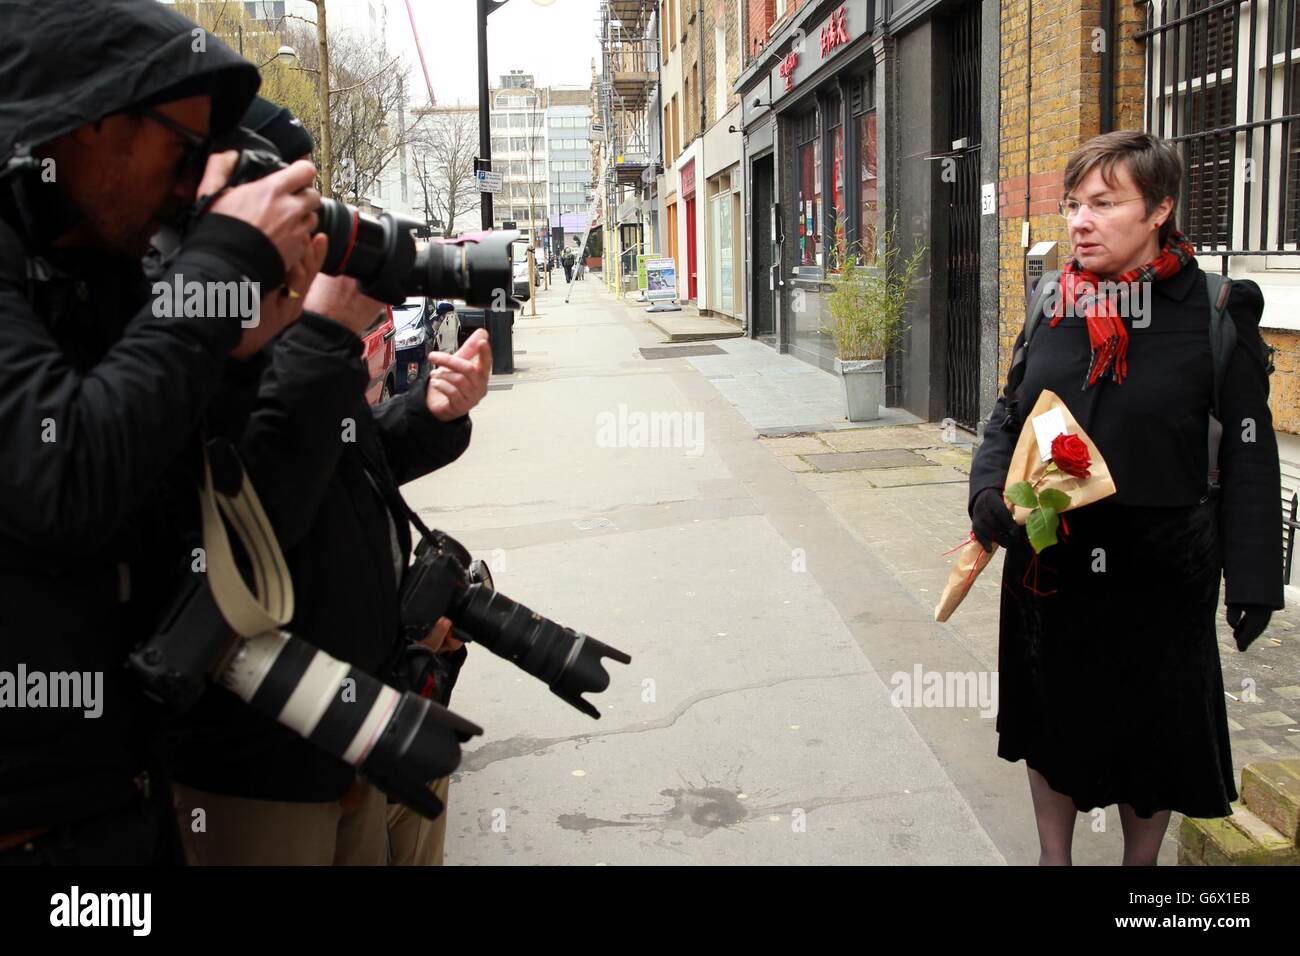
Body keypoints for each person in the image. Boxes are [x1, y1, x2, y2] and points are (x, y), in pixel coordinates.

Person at [0, 0, 321, 863]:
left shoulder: (93, 266)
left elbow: (169, 515)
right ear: (96, 115)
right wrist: (220, 265)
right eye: (182, 154)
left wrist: (237, 352)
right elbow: (61, 479)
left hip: (124, 791)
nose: (188, 189)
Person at [161, 100, 492, 866]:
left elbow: (341, 463)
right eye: (288, 201)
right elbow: (251, 519)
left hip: (358, 714)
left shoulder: (284, 317)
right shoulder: (186, 323)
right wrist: (322, 335)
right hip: (260, 755)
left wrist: (432, 414)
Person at [968, 130, 1282, 866]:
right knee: (1053, 717)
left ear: (1159, 209)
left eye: (1104, 203)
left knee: (1156, 728)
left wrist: (1255, 575)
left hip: (1162, 573)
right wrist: (987, 492)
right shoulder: (1053, 300)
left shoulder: (1212, 310)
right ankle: (1055, 859)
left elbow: (1248, 445)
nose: (1078, 220)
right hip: (1054, 563)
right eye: (1073, 203)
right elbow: (1010, 413)